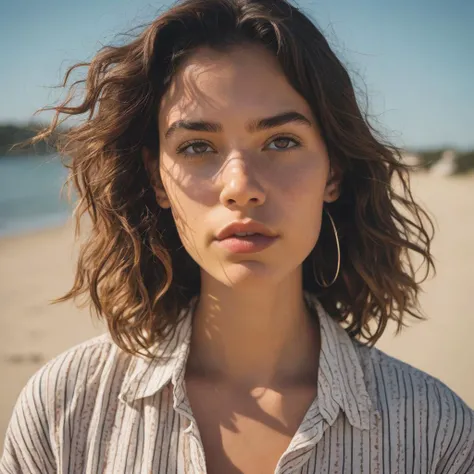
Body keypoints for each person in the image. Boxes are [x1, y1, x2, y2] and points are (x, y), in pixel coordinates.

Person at [1, 0, 473, 472]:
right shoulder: (63, 411)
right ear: (156, 179)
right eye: (197, 146)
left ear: (334, 170)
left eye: (281, 141)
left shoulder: (436, 433)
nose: (241, 186)